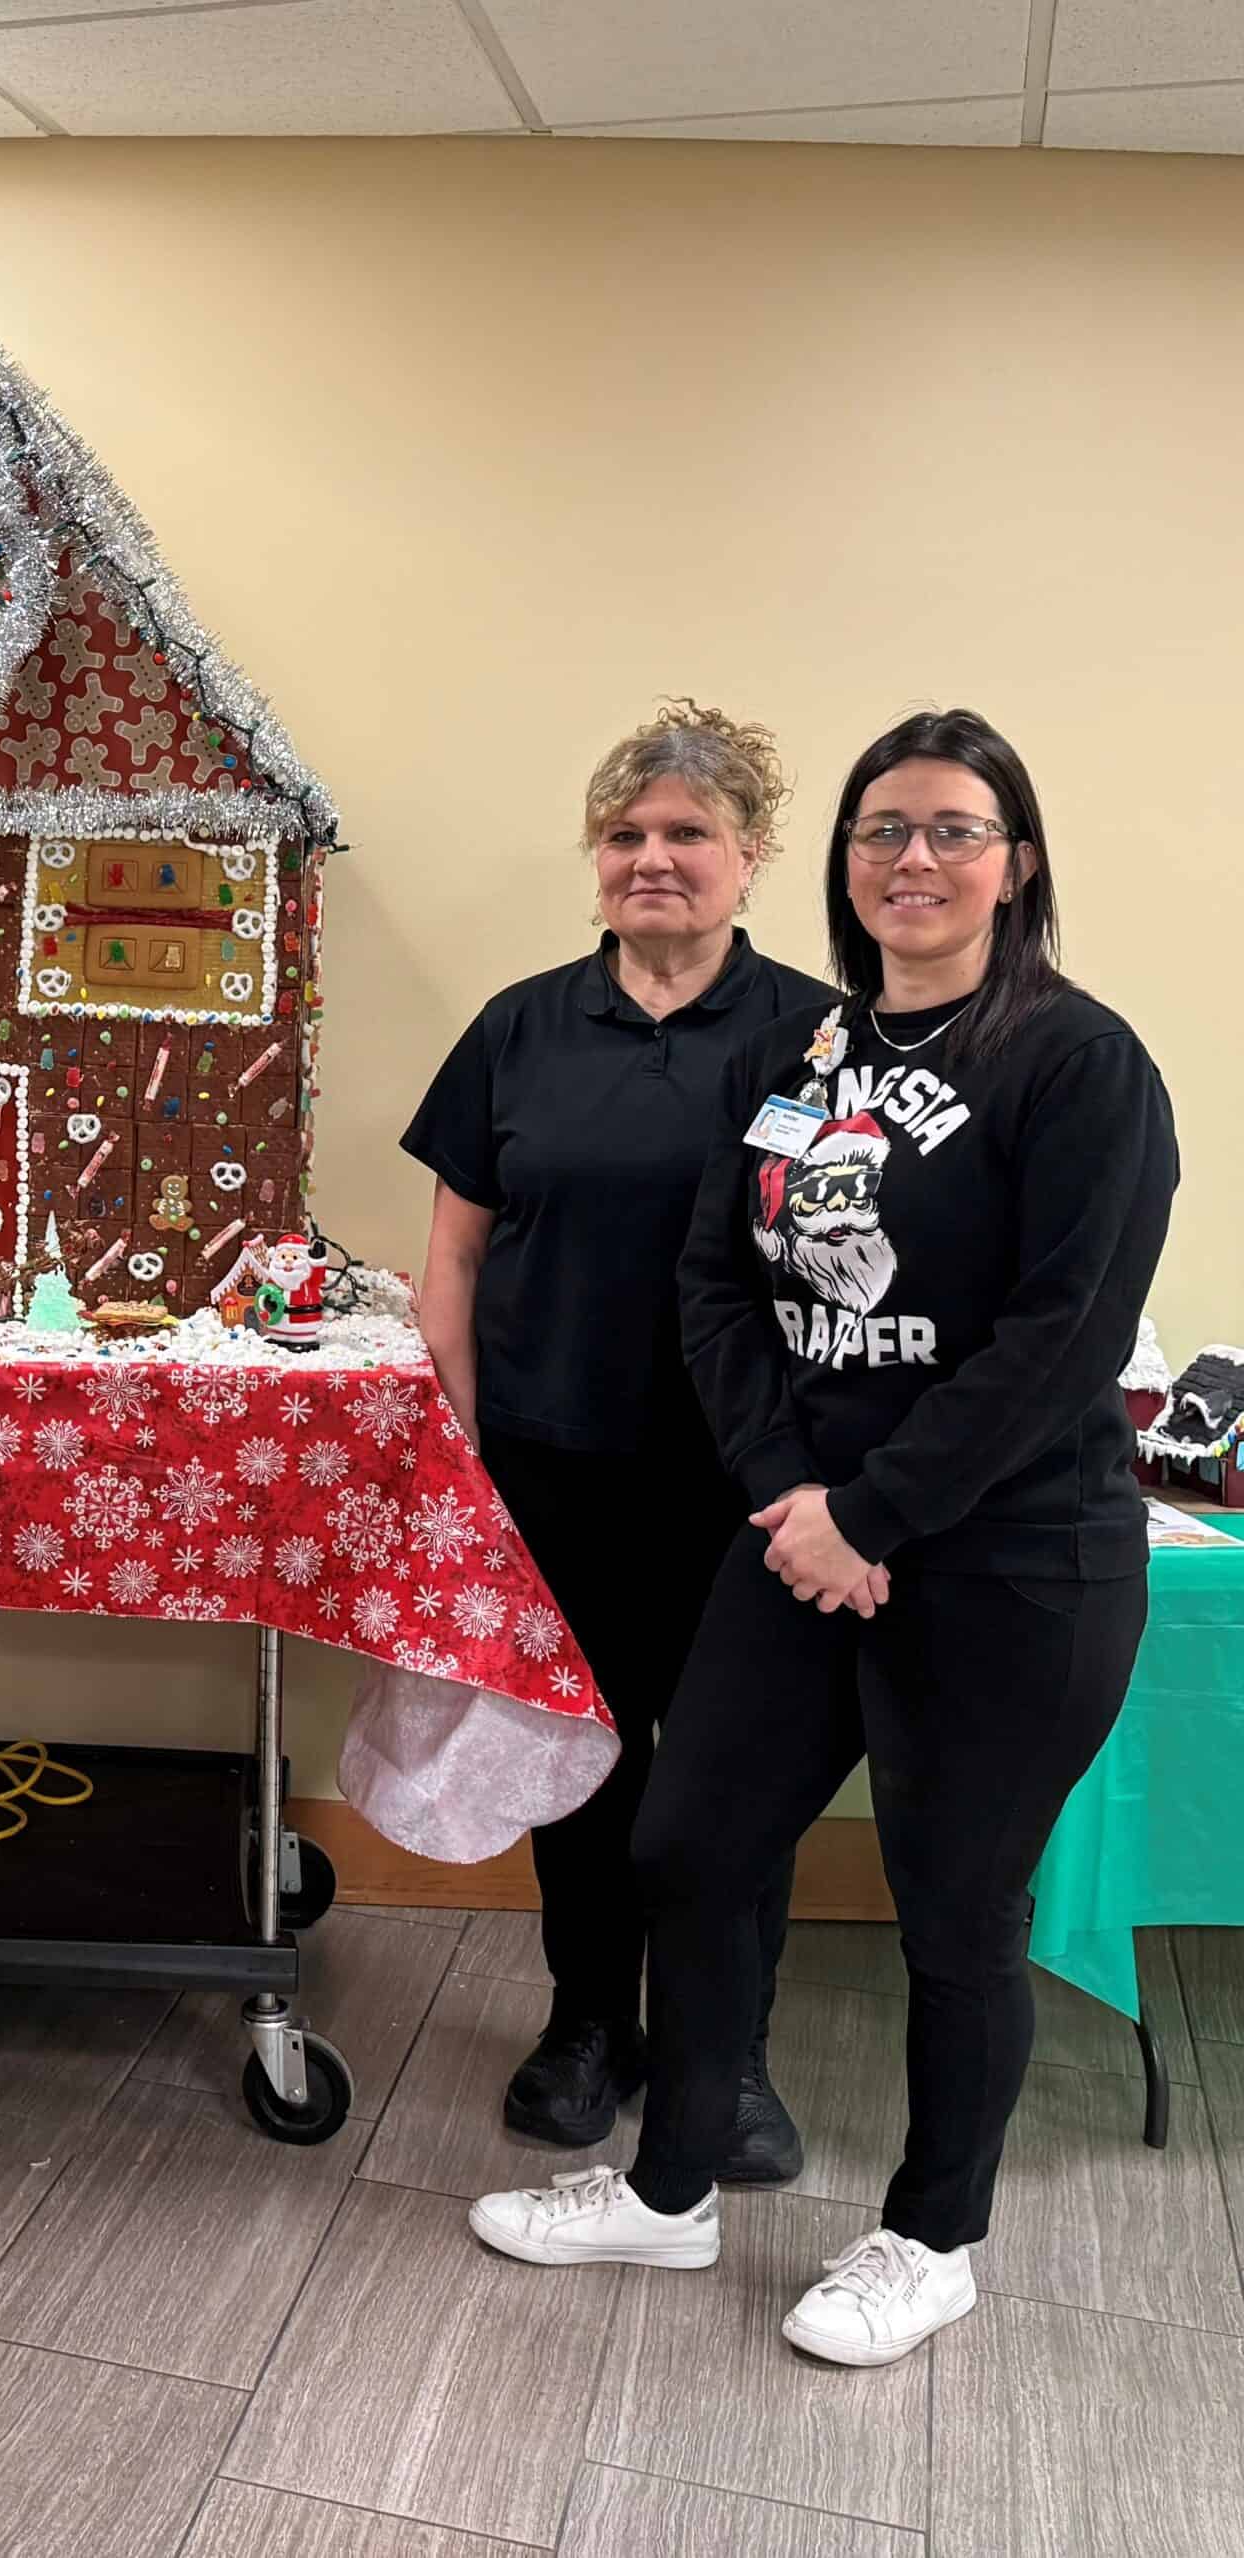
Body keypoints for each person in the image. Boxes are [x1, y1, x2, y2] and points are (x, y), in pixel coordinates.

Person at [471, 709, 1178, 2369]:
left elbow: (1066, 1332)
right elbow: (719, 1284)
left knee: (954, 1905)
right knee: (692, 1841)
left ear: (1014, 864)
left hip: (1010, 1558)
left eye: (949, 830)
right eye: (883, 833)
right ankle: (670, 2190)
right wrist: (798, 1494)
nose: (912, 861)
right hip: (802, 1537)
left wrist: (879, 1510)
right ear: (844, 864)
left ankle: (934, 2236)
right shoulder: (811, 1058)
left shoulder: (1079, 1063)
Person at [406, 702, 831, 2172]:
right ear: (597, 858)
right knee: (580, 1771)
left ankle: (734, 2058)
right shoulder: (519, 1027)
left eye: (687, 835)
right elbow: (451, 1259)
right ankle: (588, 2022)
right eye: (627, 835)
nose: (653, 859)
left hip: (750, 1491)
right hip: (551, 1466)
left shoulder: (817, 1036)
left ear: (751, 855)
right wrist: (461, 1450)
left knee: (730, 1785)